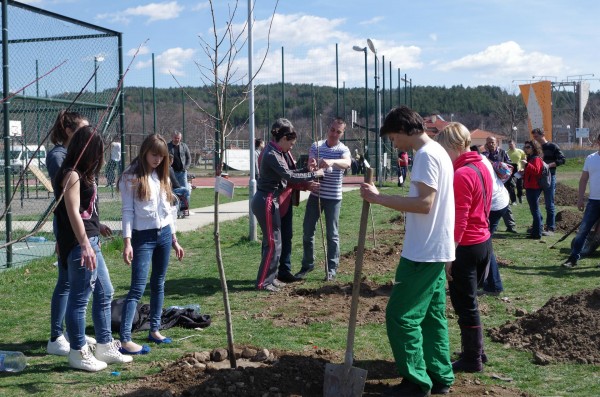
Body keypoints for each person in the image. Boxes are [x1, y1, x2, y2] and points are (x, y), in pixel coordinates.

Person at [360, 106, 455, 397]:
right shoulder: (439, 152)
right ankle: (440, 376)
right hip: (437, 248)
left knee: (401, 316)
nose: (393, 143)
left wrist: (379, 198)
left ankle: (416, 382)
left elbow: (424, 204)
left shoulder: (426, 156)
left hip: (423, 251)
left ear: (402, 130)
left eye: (392, 137)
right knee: (432, 316)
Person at [53, 126, 132, 371]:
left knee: (105, 292)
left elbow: (83, 211)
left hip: (90, 239)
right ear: (87, 150)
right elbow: (72, 212)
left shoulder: (82, 174)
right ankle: (78, 352)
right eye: (98, 151)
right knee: (80, 299)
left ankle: (105, 345)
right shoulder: (72, 175)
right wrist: (85, 244)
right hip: (81, 245)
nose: (101, 157)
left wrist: (99, 226)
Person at [118, 134, 185, 354]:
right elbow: (127, 212)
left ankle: (154, 329)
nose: (157, 159)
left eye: (161, 156)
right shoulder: (130, 177)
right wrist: (127, 242)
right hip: (142, 237)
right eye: (154, 154)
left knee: (159, 282)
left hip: (164, 234)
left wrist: (174, 239)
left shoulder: (161, 175)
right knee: (137, 288)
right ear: (145, 151)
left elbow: (168, 210)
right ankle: (125, 339)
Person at [436, 122, 492, 375]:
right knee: (471, 301)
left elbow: (460, 219)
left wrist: (450, 255)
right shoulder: (481, 166)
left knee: (464, 304)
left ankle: (471, 358)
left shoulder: (462, 174)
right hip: (483, 241)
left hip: (466, 246)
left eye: (445, 149)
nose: (443, 155)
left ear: (456, 146)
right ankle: (477, 349)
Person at [46, 110, 99, 357]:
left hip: (78, 229)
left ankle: (70, 333)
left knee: (72, 285)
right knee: (67, 285)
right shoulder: (60, 158)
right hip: (68, 230)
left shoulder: (75, 161)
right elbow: (68, 201)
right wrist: (76, 240)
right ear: (70, 132)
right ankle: (57, 335)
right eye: (82, 131)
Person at [252, 119, 324, 292]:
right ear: (283, 138)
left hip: (271, 200)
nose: (291, 147)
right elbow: (289, 177)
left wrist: (309, 171)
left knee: (277, 242)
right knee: (272, 243)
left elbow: (290, 173)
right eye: (290, 143)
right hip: (267, 200)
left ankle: (272, 278)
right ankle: (263, 282)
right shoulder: (271, 154)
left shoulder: (277, 153)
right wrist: (314, 174)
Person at [296, 117, 351, 281]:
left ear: (342, 133)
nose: (334, 134)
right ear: (328, 129)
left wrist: (332, 162)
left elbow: (347, 163)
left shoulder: (343, 149)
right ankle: (307, 265)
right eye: (332, 130)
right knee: (307, 231)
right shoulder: (317, 146)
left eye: (338, 131)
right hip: (315, 196)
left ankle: (331, 269)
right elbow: (311, 164)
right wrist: (311, 165)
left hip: (333, 198)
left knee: (332, 234)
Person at [561, 134, 600, 268]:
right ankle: (573, 258)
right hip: (594, 201)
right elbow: (583, 179)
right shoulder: (591, 158)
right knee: (583, 230)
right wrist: (580, 199)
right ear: (598, 141)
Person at [474, 146, 508, 296]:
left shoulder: (473, 163)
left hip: (493, 205)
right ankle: (485, 282)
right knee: (483, 243)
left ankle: (493, 285)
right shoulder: (481, 157)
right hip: (499, 200)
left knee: (484, 243)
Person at [532, 128, 566, 235]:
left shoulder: (552, 146)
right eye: (534, 137)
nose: (535, 138)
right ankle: (539, 225)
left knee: (549, 203)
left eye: (536, 136)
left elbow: (562, 160)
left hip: (549, 177)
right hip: (537, 177)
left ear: (542, 135)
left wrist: (548, 165)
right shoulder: (535, 148)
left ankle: (550, 228)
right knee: (534, 202)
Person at [482, 136, 517, 233]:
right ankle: (492, 224)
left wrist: (500, 166)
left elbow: (509, 166)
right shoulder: (484, 154)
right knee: (490, 205)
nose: (491, 144)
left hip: (503, 182)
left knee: (505, 203)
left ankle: (510, 225)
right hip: (490, 183)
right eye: (488, 142)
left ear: (496, 143)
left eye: (492, 142)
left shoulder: (503, 152)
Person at [522, 140, 544, 239]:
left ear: (533, 148)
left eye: (528, 147)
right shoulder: (530, 158)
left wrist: (527, 165)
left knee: (535, 210)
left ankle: (537, 232)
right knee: (534, 210)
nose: (525, 149)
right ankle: (536, 230)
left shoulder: (536, 159)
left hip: (534, 187)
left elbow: (537, 171)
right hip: (530, 186)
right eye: (525, 147)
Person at [167, 131, 191, 211]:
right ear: (172, 137)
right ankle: (175, 207)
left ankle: (185, 208)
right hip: (171, 173)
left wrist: (186, 167)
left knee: (185, 190)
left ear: (180, 138)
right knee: (173, 191)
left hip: (182, 173)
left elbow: (188, 158)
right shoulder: (168, 146)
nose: (177, 139)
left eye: (178, 138)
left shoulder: (184, 146)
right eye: (175, 138)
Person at [507, 140, 526, 204]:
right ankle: (513, 200)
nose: (510, 145)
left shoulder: (520, 151)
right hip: (510, 172)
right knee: (511, 185)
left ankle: (520, 196)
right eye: (509, 144)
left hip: (519, 171)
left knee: (519, 185)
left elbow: (524, 160)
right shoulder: (507, 153)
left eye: (511, 144)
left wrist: (523, 168)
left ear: (515, 144)